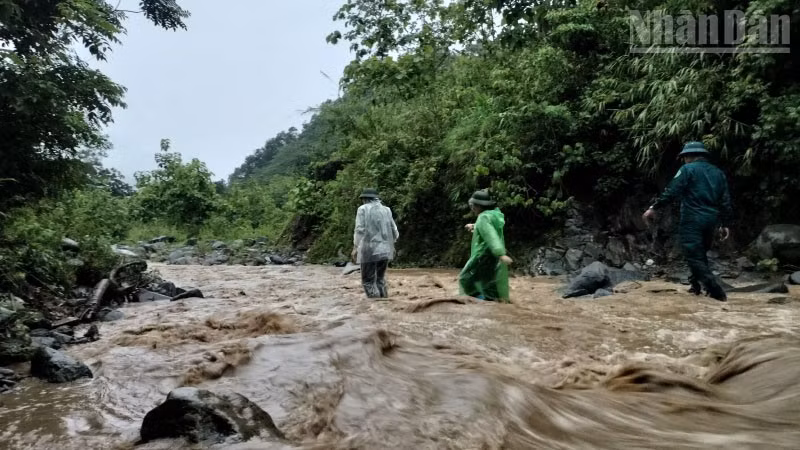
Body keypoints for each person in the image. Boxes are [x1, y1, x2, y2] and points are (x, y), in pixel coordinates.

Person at [642, 141, 733, 301]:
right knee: (700, 253)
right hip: (711, 220)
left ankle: (717, 292)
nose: (683, 161)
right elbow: (725, 201)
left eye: (684, 157)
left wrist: (654, 207)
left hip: (692, 218)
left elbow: (672, 191)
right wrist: (725, 224)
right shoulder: (718, 173)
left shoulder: (688, 169)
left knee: (693, 255)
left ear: (689, 156)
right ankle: (695, 286)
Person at [459, 190, 514, 303]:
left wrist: (500, 253)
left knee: (465, 279)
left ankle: (481, 302)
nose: (472, 208)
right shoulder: (494, 215)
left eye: (473, 206)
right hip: (492, 256)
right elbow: (488, 228)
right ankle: (495, 301)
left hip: (483, 255)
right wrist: (474, 226)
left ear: (478, 206)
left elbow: (490, 234)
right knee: (489, 280)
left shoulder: (482, 218)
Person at [352, 188, 399, 299]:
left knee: (368, 281)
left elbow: (359, 230)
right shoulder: (386, 210)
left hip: (370, 248)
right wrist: (393, 244)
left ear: (365, 199)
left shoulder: (362, 209)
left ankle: (376, 308)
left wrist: (355, 247)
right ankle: (385, 305)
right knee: (380, 279)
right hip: (386, 248)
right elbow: (394, 230)